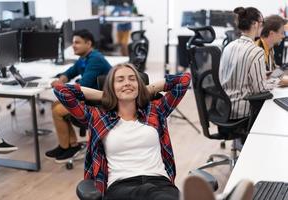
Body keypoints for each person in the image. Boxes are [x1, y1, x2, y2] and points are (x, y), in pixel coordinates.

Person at [53, 63, 191, 199]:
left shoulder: (156, 110)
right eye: (120, 80)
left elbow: (184, 79)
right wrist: (105, 95)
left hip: (159, 183)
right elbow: (61, 90)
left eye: (132, 79)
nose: (127, 83)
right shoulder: (98, 117)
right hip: (121, 187)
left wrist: (146, 90)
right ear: (111, 87)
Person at [45, 29, 112, 163]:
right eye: (73, 42)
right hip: (90, 97)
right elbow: (70, 72)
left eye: (77, 42)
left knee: (58, 110)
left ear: (88, 43)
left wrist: (61, 86)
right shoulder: (84, 58)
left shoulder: (95, 59)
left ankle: (67, 148)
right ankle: (70, 146)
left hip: (101, 103)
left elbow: (83, 85)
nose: (73, 45)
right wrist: (61, 80)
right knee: (56, 105)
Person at [219, 7, 273, 121]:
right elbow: (260, 90)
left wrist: (262, 74)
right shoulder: (257, 51)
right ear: (254, 24)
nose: (263, 26)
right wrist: (276, 81)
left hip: (224, 108)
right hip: (242, 111)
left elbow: (223, 77)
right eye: (262, 23)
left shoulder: (228, 47)